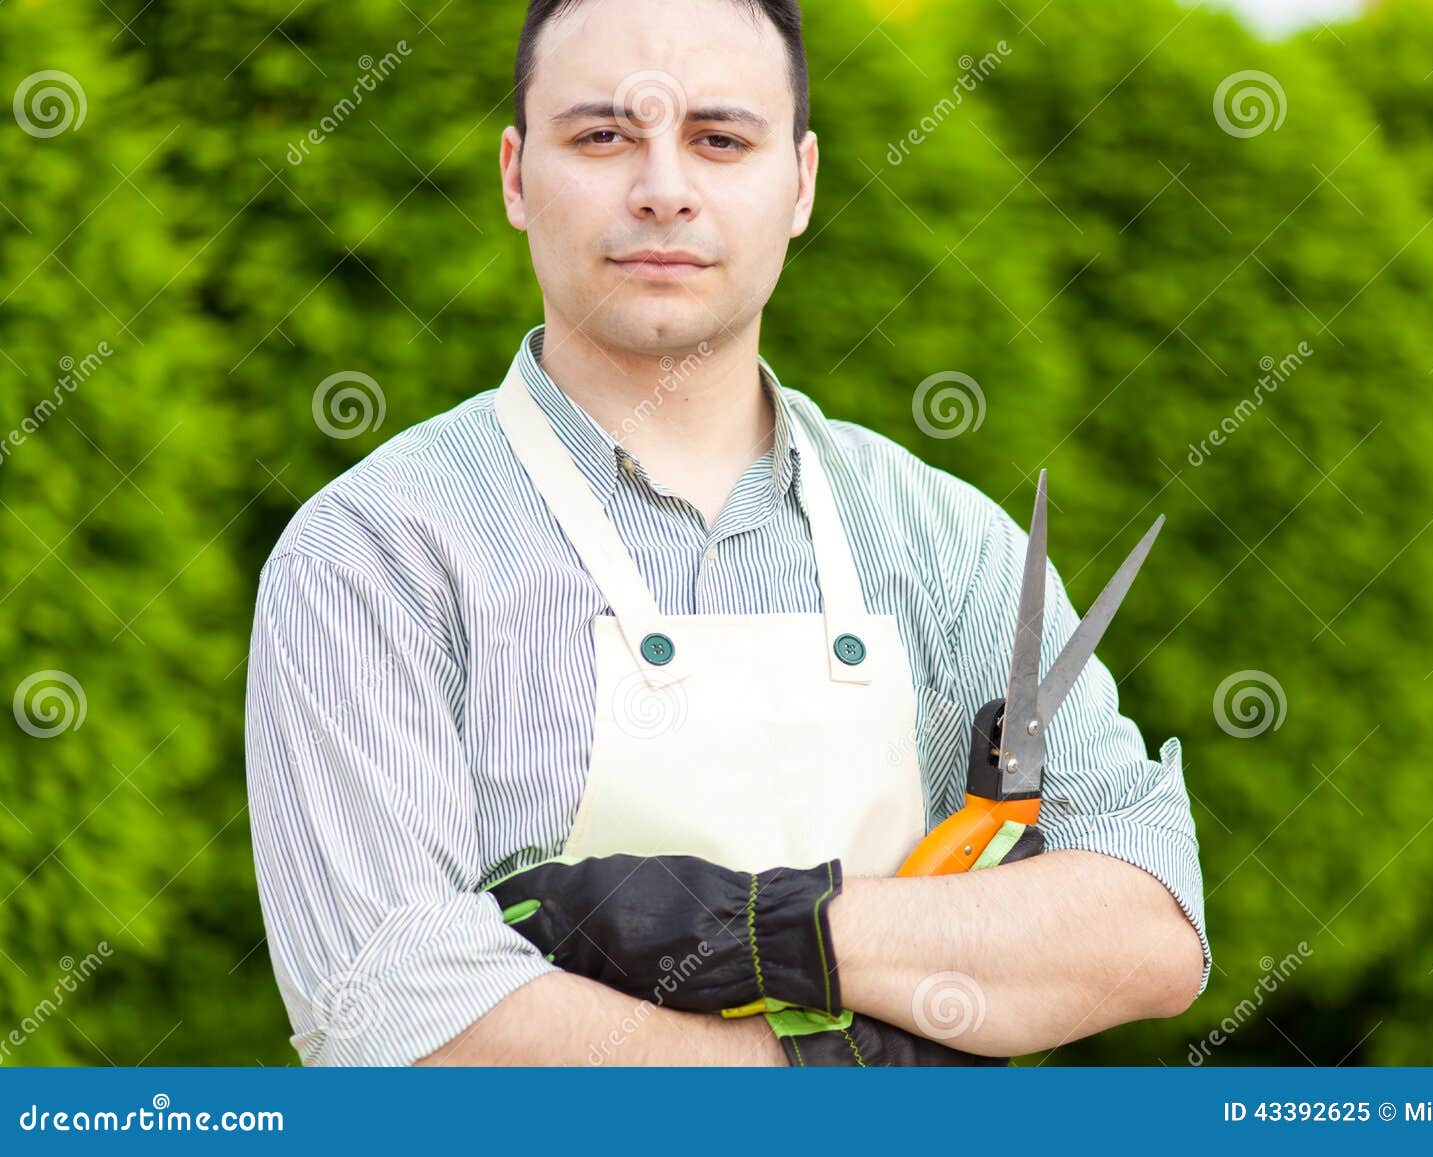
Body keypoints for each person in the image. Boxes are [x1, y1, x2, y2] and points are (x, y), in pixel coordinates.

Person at [243, 0, 1210, 1067]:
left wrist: (775, 929)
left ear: (798, 183)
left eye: (719, 138)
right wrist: (827, 1074)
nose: (663, 189)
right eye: (602, 136)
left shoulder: (946, 540)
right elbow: (396, 1015)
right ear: (515, 177)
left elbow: (1144, 920)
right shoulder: (376, 553)